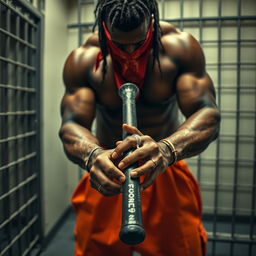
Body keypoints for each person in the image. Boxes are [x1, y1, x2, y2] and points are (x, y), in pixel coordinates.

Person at [59, 0, 220, 255]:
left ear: (151, 25)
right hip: (109, 169)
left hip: (164, 167)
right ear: (105, 28)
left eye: (139, 40)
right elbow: (71, 125)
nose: (131, 51)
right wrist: (92, 155)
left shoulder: (179, 48)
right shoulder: (84, 59)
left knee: (183, 249)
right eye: (121, 44)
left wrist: (167, 150)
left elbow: (207, 113)